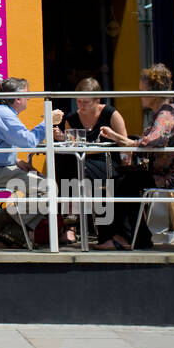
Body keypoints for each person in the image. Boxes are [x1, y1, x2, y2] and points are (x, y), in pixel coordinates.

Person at [94, 63, 174, 249]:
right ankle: (131, 237)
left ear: (153, 93)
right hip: (165, 173)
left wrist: (121, 139)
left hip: (172, 177)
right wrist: (117, 137)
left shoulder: (165, 115)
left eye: (142, 91)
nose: (140, 95)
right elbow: (147, 141)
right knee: (122, 180)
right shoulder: (165, 112)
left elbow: (151, 140)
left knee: (123, 183)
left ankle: (128, 238)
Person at [0, 77, 64, 240]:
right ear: (17, 98)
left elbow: (2, 145)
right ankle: (8, 225)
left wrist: (16, 161)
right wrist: (47, 121)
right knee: (48, 187)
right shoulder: (3, 114)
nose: (29, 98)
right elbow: (28, 142)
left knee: (40, 183)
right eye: (27, 95)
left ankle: (17, 229)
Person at [54, 77, 128, 244]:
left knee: (73, 168)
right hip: (80, 163)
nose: (81, 105)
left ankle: (71, 222)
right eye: (78, 101)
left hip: (107, 163)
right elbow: (70, 147)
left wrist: (126, 165)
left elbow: (125, 142)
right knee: (66, 162)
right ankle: (71, 223)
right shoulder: (72, 118)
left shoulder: (110, 114)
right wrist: (61, 138)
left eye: (86, 102)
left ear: (98, 100)